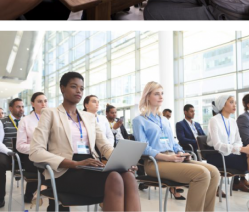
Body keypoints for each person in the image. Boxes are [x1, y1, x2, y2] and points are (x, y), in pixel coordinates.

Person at [29, 71, 140, 212]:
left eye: (81, 88)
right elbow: (35, 152)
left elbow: (105, 146)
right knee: (115, 178)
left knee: (129, 177)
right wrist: (75, 164)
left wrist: (123, 162)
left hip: (90, 166)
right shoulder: (50, 113)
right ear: (62, 88)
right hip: (64, 171)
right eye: (73, 86)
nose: (78, 91)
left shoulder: (89, 117)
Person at [133, 81, 221, 209]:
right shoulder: (139, 120)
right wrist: (167, 158)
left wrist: (180, 152)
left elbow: (173, 142)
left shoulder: (164, 120)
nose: (161, 97)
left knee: (214, 172)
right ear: (147, 96)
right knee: (202, 174)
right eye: (157, 94)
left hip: (173, 158)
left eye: (162, 94)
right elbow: (144, 148)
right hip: (155, 162)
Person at [208, 94, 249, 212]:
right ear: (222, 105)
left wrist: (243, 148)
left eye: (235, 102)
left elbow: (238, 141)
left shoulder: (233, 121)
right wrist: (241, 149)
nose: (234, 105)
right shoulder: (214, 120)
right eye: (231, 102)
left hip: (232, 154)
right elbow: (218, 145)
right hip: (219, 156)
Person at [16, 92, 49, 206]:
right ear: (33, 104)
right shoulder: (25, 120)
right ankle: (43, 189)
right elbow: (20, 146)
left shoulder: (53, 119)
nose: (43, 104)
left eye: (45, 101)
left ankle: (40, 190)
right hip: (32, 156)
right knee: (49, 164)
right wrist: (38, 149)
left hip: (50, 155)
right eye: (40, 101)